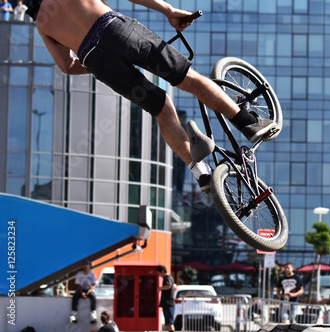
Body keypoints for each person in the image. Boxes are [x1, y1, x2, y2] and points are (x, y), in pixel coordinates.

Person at [26, 0, 279, 193]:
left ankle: (200, 171)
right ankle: (247, 123)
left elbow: (67, 66)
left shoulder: (42, 23)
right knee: (189, 80)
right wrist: (169, 10)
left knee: (162, 109)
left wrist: (97, 64)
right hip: (117, 31)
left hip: (97, 61)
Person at [156, 265, 176, 332]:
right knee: (168, 323)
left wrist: (160, 288)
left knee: (170, 323)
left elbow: (168, 286)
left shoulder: (167, 278)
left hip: (168, 304)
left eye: (159, 273)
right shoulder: (169, 277)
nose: (159, 275)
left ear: (162, 271)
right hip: (167, 304)